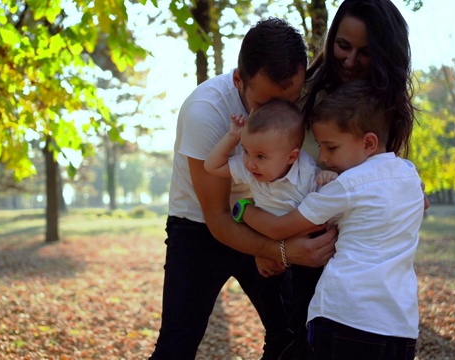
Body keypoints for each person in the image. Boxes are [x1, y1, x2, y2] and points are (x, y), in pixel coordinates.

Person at [150, 18, 338, 360]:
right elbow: (219, 218)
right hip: (200, 226)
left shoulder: (301, 99)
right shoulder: (205, 112)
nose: (281, 113)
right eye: (265, 105)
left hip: (268, 216)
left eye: (291, 101)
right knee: (177, 343)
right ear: (239, 79)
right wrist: (279, 250)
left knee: (292, 336)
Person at [243, 80, 424, 359]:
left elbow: (279, 227)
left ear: (369, 143)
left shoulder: (346, 185)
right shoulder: (410, 174)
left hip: (344, 316)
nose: (323, 158)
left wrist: (243, 209)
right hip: (401, 325)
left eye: (331, 147)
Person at [289, 1, 419, 358]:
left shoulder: (384, 106)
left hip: (351, 263)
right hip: (300, 238)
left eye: (364, 52)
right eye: (343, 46)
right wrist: (273, 247)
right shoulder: (306, 92)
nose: (349, 60)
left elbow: (383, 178)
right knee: (289, 342)